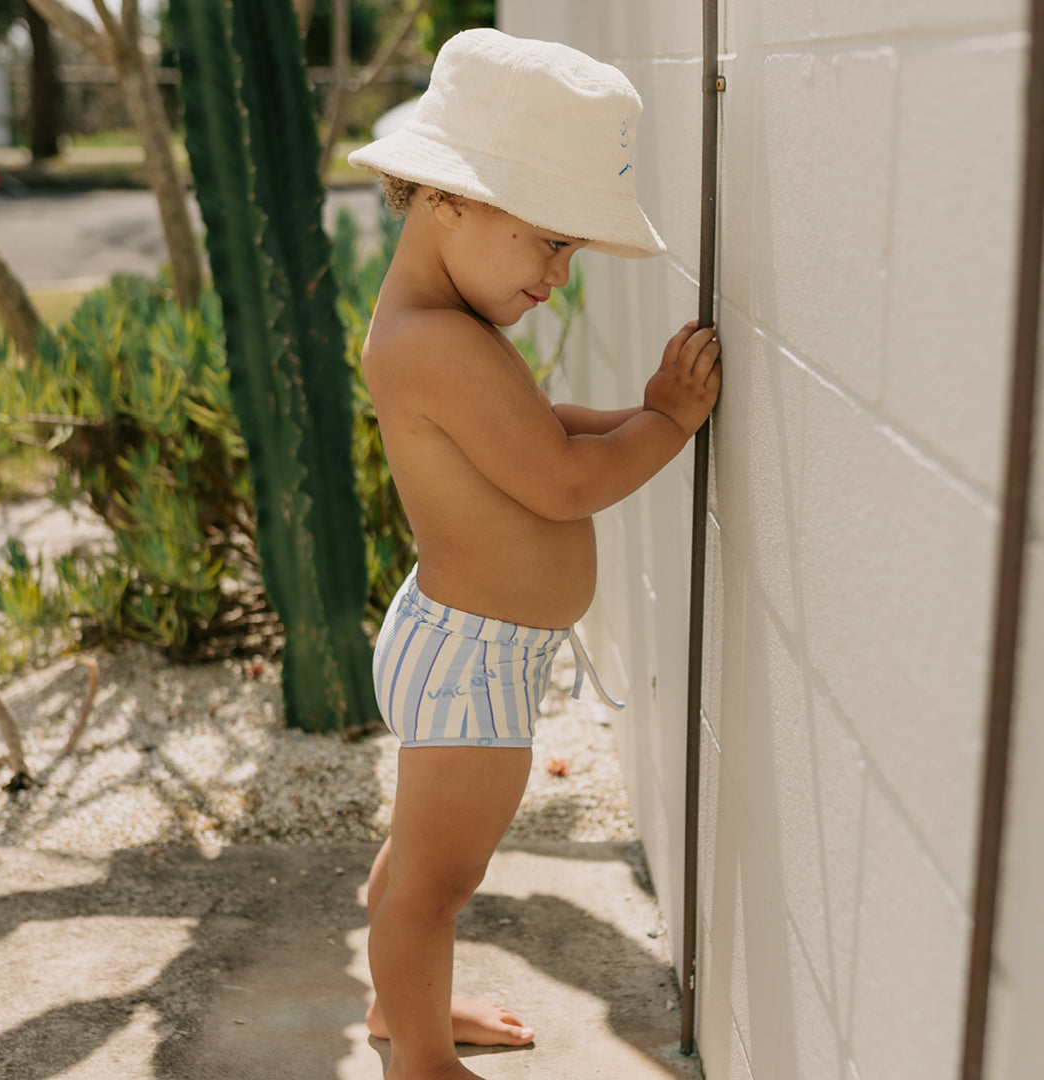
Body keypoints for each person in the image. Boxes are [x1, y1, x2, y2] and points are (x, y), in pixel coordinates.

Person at [347, 27, 721, 1080]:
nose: (559, 275)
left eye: (570, 252)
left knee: (415, 865)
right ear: (444, 199)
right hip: (470, 661)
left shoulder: (439, 324)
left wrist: (632, 416)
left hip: (466, 644)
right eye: (550, 243)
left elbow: (539, 428)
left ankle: (402, 1008)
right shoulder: (439, 340)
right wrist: (671, 423)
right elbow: (562, 481)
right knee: (433, 883)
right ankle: (418, 1058)